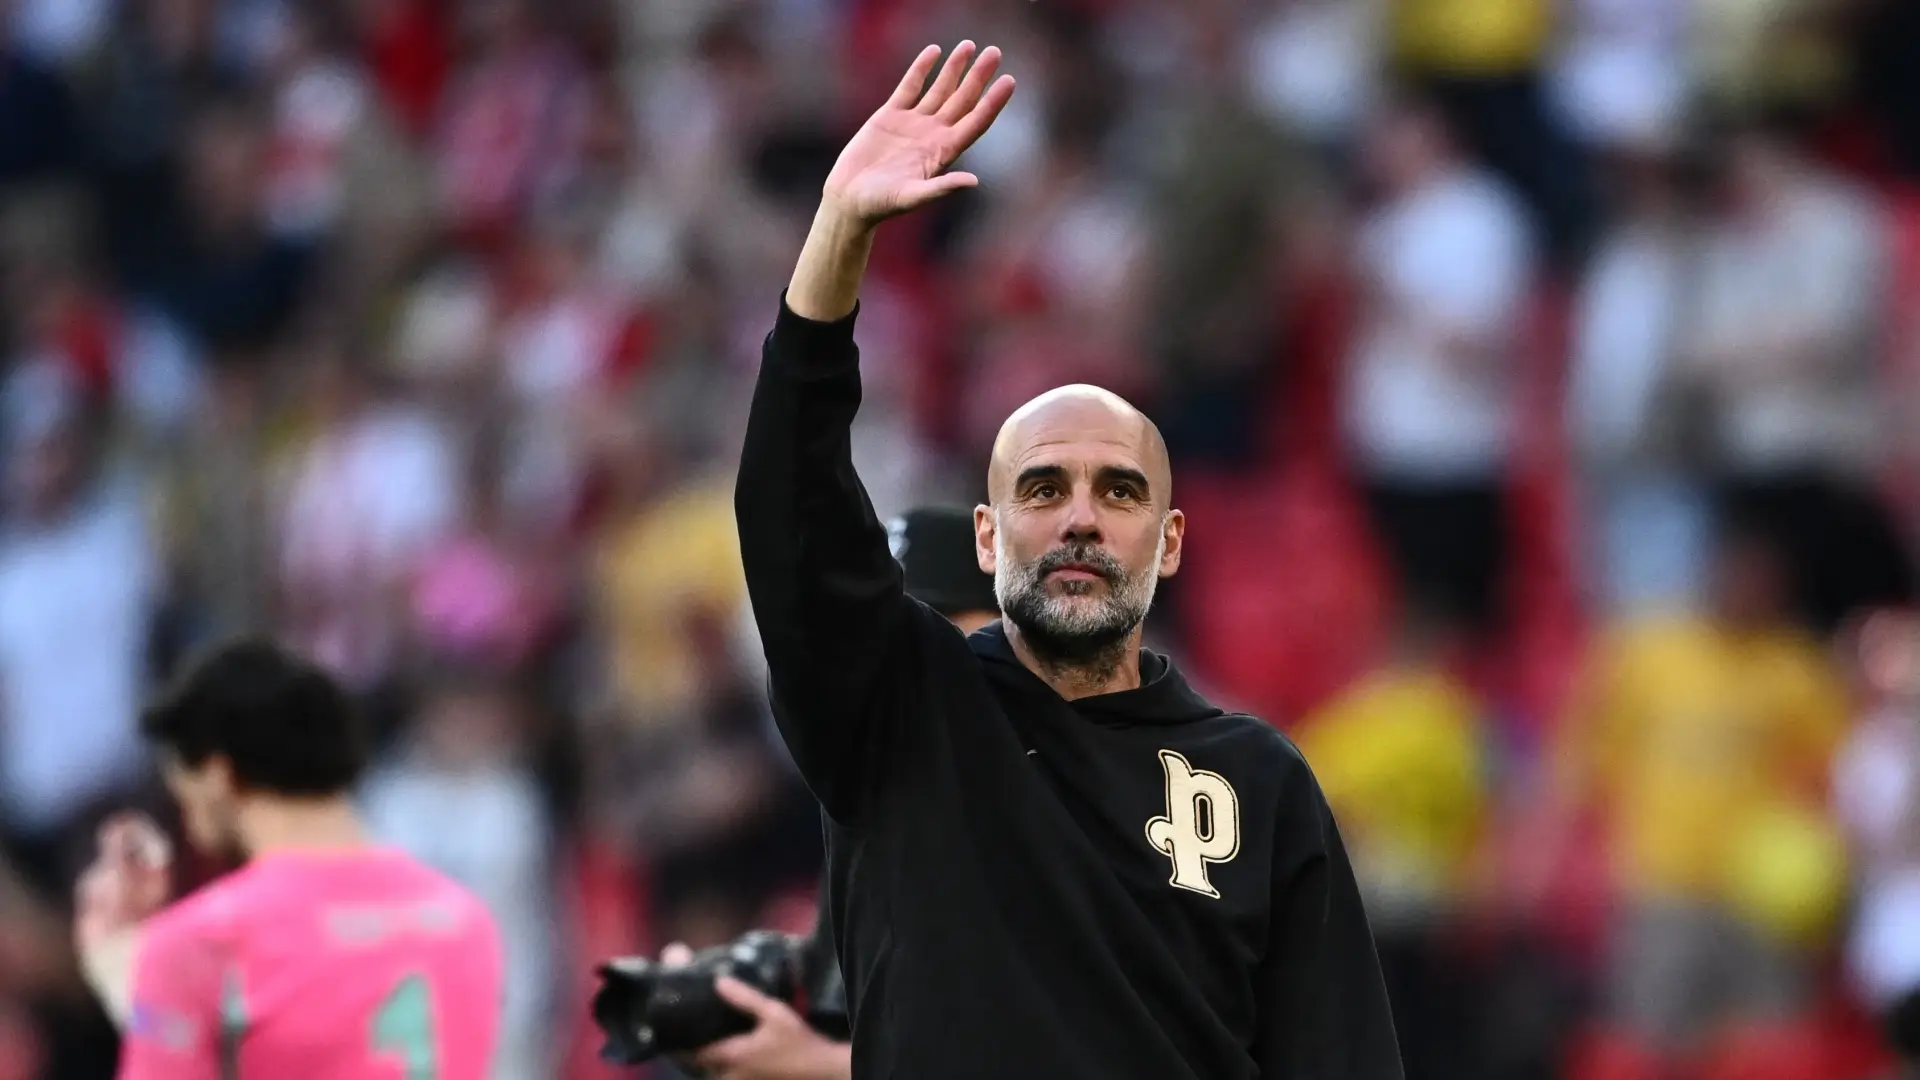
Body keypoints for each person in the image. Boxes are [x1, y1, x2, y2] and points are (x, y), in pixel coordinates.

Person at [733, 40, 1401, 1080]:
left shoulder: (1260, 782)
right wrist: (836, 244)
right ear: (987, 537)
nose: (1081, 519)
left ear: (1169, 543)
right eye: (1043, 490)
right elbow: (792, 516)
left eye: (1119, 492)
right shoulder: (906, 716)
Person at [663, 505, 1002, 1080]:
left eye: (931, 625)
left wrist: (812, 1065)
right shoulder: (877, 819)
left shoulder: (1050, 813)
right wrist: (732, 1010)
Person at [71, 638, 506, 1079]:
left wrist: (146, 991)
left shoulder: (210, 939)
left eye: (181, 790)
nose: (185, 817)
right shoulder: (464, 920)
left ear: (216, 776)